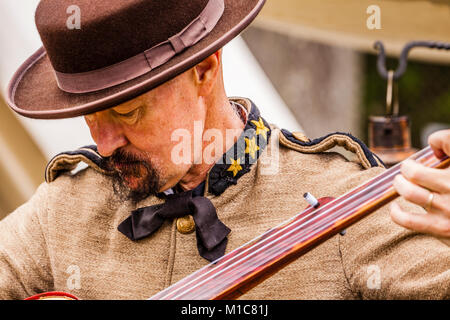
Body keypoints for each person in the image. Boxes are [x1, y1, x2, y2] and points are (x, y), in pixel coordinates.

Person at [1, 0, 449, 300]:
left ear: (204, 69)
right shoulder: (61, 211)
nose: (102, 144)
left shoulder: (345, 197)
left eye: (127, 112)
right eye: (90, 116)